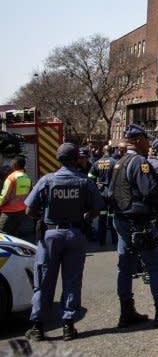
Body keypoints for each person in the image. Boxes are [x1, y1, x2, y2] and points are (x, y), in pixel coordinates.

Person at [110, 124, 158, 328]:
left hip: (122, 220)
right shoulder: (139, 162)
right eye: (146, 140)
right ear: (137, 140)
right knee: (155, 265)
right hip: (139, 223)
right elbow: (149, 191)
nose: (149, 144)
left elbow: (110, 193)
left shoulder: (119, 162)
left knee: (125, 268)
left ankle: (126, 311)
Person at [23, 143, 101, 341]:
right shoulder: (84, 181)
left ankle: (38, 326)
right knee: (72, 280)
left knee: (43, 280)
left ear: (58, 159)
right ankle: (68, 325)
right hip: (75, 234)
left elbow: (29, 210)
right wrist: (84, 218)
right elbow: (96, 210)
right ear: (76, 159)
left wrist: (43, 216)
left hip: (50, 235)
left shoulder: (47, 181)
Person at [87, 145, 118, 246]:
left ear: (103, 151)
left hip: (101, 194)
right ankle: (115, 240)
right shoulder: (115, 163)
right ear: (112, 151)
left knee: (102, 217)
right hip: (112, 193)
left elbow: (90, 178)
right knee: (113, 216)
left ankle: (102, 241)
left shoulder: (96, 163)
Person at [0, 156, 31, 235]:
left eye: (12, 163)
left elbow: (5, 196)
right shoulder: (27, 178)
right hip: (21, 211)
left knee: (3, 236)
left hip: (9, 212)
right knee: (15, 236)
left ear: (15, 165)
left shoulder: (11, 177)